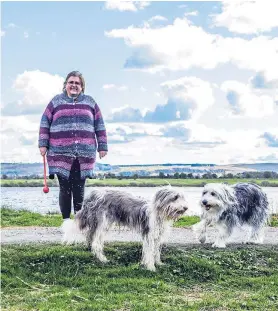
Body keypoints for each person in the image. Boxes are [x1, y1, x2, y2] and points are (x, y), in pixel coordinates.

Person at [38, 70, 108, 221]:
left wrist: (102, 146)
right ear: (65, 85)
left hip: (84, 154)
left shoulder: (90, 102)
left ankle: (78, 223)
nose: (74, 85)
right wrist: (43, 144)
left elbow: (99, 125)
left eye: (77, 83)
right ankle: (66, 222)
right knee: (64, 188)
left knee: (79, 188)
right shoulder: (56, 101)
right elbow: (44, 122)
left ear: (82, 86)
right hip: (59, 153)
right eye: (71, 82)